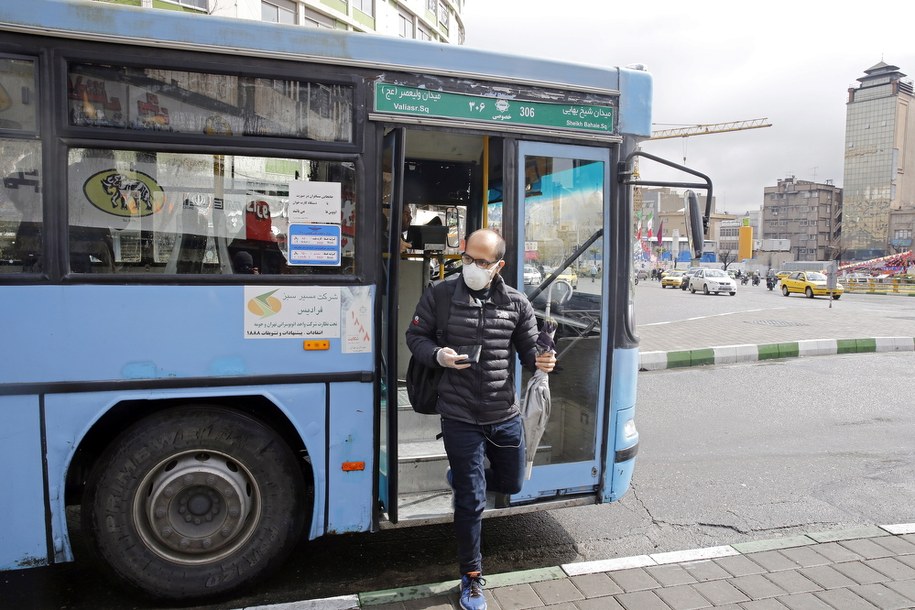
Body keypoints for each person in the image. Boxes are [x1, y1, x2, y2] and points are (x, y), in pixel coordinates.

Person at [405, 229, 556, 610]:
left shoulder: (517, 304)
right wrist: (438, 355)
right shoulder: (440, 295)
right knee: (472, 501)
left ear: (498, 266)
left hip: (503, 414)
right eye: (468, 258)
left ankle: (461, 477)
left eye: (482, 262)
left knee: (513, 482)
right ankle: (471, 578)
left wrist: (544, 360)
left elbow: (529, 354)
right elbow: (415, 337)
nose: (471, 267)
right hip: (458, 415)